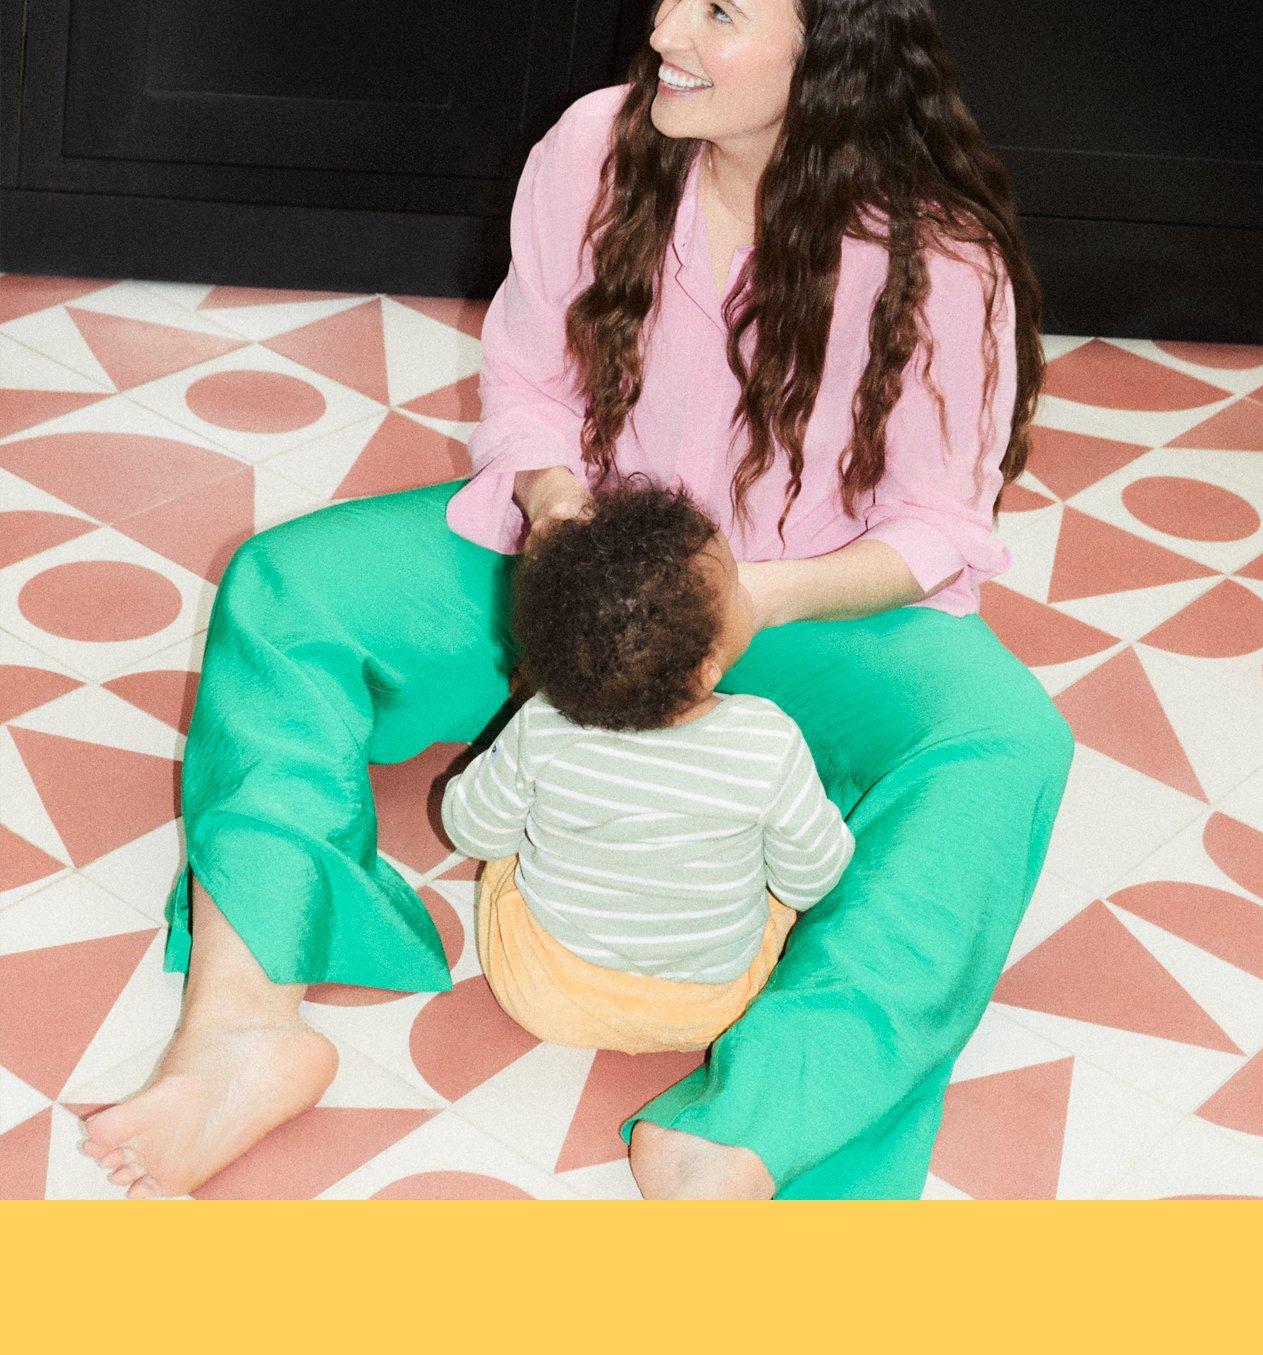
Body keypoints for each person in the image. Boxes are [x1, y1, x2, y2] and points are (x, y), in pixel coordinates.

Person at [80, 0, 1073, 1202]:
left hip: (797, 607)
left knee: (1005, 744)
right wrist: (557, 514)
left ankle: (747, 1131)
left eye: (719, 11)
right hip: (573, 580)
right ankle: (240, 1023)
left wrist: (758, 597)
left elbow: (939, 524)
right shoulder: (596, 145)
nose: (664, 31)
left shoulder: (940, 255)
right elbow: (529, 381)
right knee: (289, 590)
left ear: (836, 53)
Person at [442, 482, 854, 1053]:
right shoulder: (767, 741)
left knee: (506, 848)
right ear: (710, 667)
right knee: (782, 890)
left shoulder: (543, 724)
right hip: (707, 1011)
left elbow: (474, 831)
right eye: (736, 588)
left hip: (544, 990)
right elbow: (812, 880)